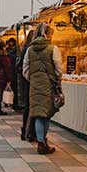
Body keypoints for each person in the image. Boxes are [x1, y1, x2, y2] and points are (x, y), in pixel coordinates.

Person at [23, 23, 63, 155]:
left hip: (34, 85)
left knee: (39, 113)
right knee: (47, 113)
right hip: (49, 84)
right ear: (46, 34)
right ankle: (42, 142)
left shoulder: (30, 50)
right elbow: (58, 69)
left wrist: (33, 79)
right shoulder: (53, 49)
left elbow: (25, 69)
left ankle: (41, 142)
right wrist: (57, 79)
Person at [18, 31, 36, 141]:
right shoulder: (30, 50)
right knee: (31, 107)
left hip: (26, 82)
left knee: (28, 107)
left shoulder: (24, 49)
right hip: (30, 82)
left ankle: (26, 131)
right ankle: (29, 132)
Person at [6, 38, 20, 111]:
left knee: (13, 89)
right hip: (13, 72)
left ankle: (13, 103)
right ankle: (13, 103)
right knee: (14, 89)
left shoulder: (8, 51)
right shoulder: (15, 51)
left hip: (12, 72)